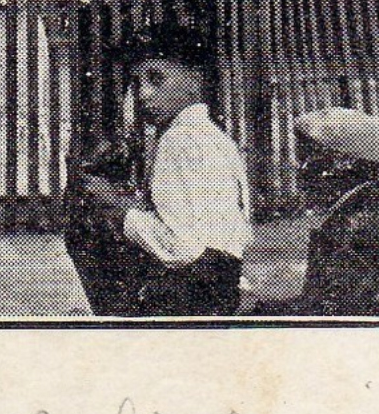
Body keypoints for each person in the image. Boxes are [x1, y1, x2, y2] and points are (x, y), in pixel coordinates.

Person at [66, 24, 251, 316]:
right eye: (137, 83)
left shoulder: (179, 139)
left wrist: (119, 209)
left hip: (190, 295)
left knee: (86, 227)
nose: (143, 95)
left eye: (156, 79)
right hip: (222, 280)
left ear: (194, 80)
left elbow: (182, 247)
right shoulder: (214, 136)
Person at [256, 108, 379, 318]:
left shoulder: (361, 225)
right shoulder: (366, 208)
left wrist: (263, 310)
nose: (300, 168)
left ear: (344, 161)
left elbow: (336, 315)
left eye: (307, 155)